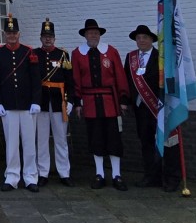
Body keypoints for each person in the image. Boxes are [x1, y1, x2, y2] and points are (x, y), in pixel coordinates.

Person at [72, 18, 130, 191]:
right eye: (90, 33)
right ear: (85, 35)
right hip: (90, 103)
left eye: (96, 33)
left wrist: (123, 99)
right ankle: (99, 174)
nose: (93, 35)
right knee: (95, 138)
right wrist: (77, 102)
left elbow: (119, 75)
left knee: (114, 139)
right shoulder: (77, 54)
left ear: (100, 35)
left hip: (110, 102)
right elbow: (76, 79)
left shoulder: (111, 52)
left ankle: (117, 175)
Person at [124, 23, 180, 191]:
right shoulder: (131, 58)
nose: (141, 40)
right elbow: (127, 81)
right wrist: (126, 101)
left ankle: (171, 179)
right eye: (138, 38)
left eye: (145, 37)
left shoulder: (161, 57)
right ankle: (151, 176)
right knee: (147, 144)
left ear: (151, 40)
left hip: (160, 108)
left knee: (168, 143)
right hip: (141, 110)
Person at [0, 14, 41, 192]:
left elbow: (36, 80)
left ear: (19, 33)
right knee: (11, 144)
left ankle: (30, 176)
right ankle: (11, 176)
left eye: (14, 33)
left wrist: (36, 101)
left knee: (29, 143)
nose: (11, 36)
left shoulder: (28, 52)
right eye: (8, 33)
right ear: (4, 34)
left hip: (27, 106)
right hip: (8, 106)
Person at [33, 18, 74, 187]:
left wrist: (70, 100)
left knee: (61, 139)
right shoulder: (35, 54)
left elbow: (70, 80)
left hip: (59, 102)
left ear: (55, 38)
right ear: (40, 38)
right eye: (44, 36)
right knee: (41, 139)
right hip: (42, 101)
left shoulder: (63, 54)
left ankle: (64, 173)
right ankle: (43, 172)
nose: (47, 39)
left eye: (50, 36)